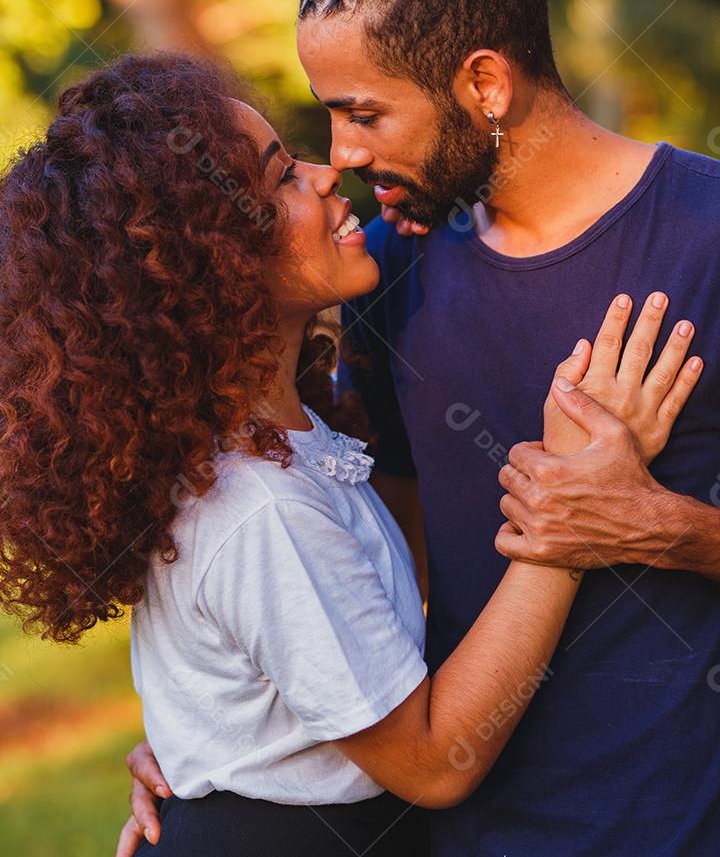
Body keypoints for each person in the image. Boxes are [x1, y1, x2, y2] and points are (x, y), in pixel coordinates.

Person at [126, 0, 720, 855]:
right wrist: (221, 754)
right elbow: (372, 563)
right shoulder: (393, 264)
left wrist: (670, 531)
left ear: (483, 84)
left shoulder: (705, 236)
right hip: (454, 833)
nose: (342, 156)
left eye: (361, 113)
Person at [0, 53, 696, 857]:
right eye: (281, 179)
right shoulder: (260, 507)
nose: (329, 172)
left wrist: (210, 747)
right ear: (214, 262)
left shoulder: (288, 441)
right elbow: (435, 764)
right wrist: (571, 514)